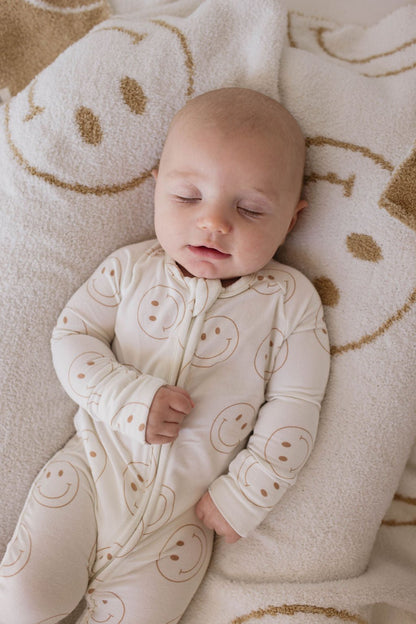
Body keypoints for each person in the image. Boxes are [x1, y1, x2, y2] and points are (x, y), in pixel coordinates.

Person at [0, 87, 330, 623]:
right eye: (187, 197)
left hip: (183, 521)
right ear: (156, 189)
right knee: (22, 597)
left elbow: (297, 404)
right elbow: (72, 337)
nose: (214, 222)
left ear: (291, 221)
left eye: (249, 209)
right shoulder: (129, 268)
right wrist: (127, 397)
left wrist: (247, 491)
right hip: (91, 473)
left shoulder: (290, 301)